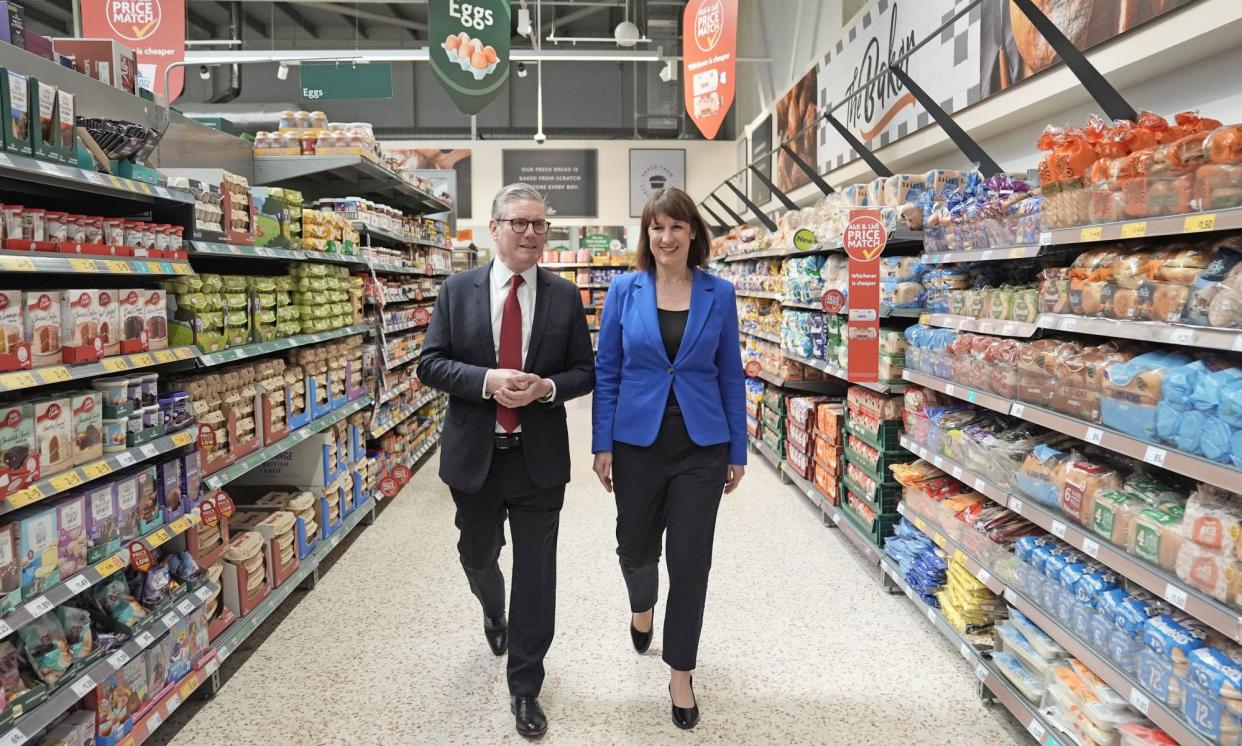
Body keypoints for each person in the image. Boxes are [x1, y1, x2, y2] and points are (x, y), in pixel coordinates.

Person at [417, 183, 594, 739]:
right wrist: (487, 381)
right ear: (493, 229)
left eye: (540, 225)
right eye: (519, 223)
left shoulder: (564, 297)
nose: (531, 234)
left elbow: (584, 373)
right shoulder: (457, 291)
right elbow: (431, 364)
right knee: (478, 554)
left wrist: (545, 388)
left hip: (537, 459)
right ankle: (493, 611)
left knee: (537, 577)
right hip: (476, 456)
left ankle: (525, 688)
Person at [590, 187, 747, 730]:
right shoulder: (623, 291)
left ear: (693, 234)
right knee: (634, 545)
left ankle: (680, 671)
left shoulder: (719, 293)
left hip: (701, 445)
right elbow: (607, 369)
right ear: (646, 235)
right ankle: (641, 604)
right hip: (636, 440)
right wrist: (601, 443)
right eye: (657, 227)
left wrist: (738, 448)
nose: (666, 237)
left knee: (690, 561)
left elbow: (731, 373)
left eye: (677, 227)